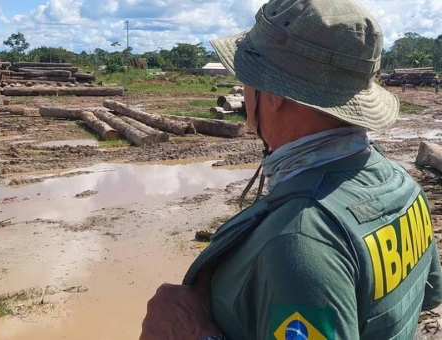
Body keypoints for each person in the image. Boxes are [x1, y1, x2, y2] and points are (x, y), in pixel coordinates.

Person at [140, 0, 442, 339]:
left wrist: (195, 334)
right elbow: (426, 295)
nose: (243, 90)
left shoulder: (300, 242)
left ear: (273, 94)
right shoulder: (402, 186)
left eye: (247, 78)